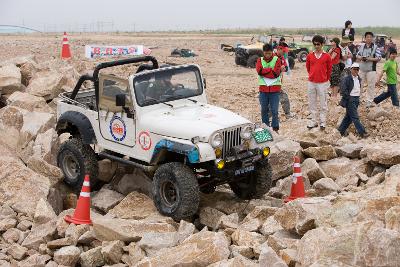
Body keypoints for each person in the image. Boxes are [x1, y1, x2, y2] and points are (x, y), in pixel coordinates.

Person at [306, 35, 332, 130]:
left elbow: (329, 70)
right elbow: (308, 68)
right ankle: (313, 121)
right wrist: (313, 75)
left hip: (322, 83)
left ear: (322, 44)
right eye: (315, 44)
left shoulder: (327, 56)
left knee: (323, 103)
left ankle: (323, 122)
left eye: (318, 44)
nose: (316, 46)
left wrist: (325, 78)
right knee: (312, 102)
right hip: (311, 82)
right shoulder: (310, 56)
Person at [256, 43, 282, 132]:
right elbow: (259, 71)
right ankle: (265, 127)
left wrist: (265, 72)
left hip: (274, 90)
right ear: (263, 52)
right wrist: (270, 70)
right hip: (263, 90)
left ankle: (275, 128)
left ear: (272, 52)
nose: (267, 55)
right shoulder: (260, 60)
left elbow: (276, 74)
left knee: (274, 110)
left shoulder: (277, 60)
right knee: (264, 109)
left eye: (269, 53)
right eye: (266, 53)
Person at [338, 63, 369, 138]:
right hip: (350, 99)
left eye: (357, 69)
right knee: (355, 117)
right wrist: (349, 98)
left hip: (356, 99)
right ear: (351, 69)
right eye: (354, 69)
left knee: (348, 117)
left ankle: (340, 131)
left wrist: (358, 98)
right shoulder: (347, 78)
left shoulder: (358, 78)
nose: (356, 71)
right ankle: (362, 132)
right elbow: (343, 90)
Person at [356, 31, 381, 107]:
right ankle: (357, 100)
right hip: (362, 69)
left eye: (370, 37)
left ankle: (369, 101)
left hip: (371, 70)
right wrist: (361, 58)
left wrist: (369, 59)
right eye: (367, 37)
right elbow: (357, 55)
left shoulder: (375, 47)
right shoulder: (362, 46)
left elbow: (379, 58)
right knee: (359, 85)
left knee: (371, 86)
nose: (369, 38)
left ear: (372, 38)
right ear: (365, 38)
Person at [274, 45, 293, 118]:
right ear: (278, 49)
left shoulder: (282, 58)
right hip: (270, 84)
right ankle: (270, 117)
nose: (284, 53)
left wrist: (284, 68)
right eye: (283, 51)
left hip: (278, 83)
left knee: (284, 98)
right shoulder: (272, 57)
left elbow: (286, 68)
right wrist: (279, 69)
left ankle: (287, 114)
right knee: (271, 101)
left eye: (285, 51)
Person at [328, 37, 342, 103]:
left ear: (335, 42)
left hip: (335, 67)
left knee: (335, 81)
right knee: (332, 81)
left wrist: (330, 52)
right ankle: (332, 96)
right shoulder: (332, 49)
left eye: (332, 41)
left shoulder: (337, 49)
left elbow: (331, 58)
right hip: (331, 66)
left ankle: (335, 96)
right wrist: (330, 51)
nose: (331, 42)